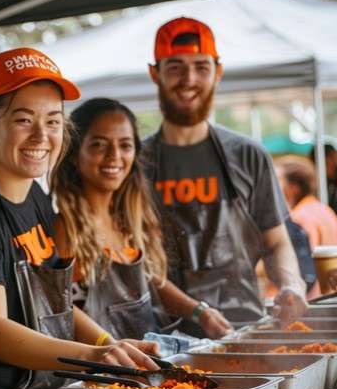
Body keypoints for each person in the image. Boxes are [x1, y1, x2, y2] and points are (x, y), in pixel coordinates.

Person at [0, 48, 159, 389]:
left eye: (53, 121)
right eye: (24, 120)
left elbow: (58, 306)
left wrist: (112, 344)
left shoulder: (36, 197)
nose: (42, 136)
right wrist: (93, 355)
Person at [140, 17, 307, 333]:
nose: (189, 79)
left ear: (218, 72)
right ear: (154, 73)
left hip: (241, 329)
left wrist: (291, 285)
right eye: (175, 67)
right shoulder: (133, 162)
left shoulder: (248, 155)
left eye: (201, 67)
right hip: (158, 340)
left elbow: (276, 243)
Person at [52, 98, 232, 341]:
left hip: (146, 364)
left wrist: (201, 313)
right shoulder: (66, 228)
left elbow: (152, 278)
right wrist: (108, 347)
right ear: (75, 154)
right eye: (98, 145)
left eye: (125, 145)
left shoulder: (129, 219)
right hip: (100, 371)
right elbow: (61, 309)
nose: (114, 156)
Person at [274, 155, 337, 296]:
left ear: (294, 187)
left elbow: (302, 270)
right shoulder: (324, 210)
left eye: (277, 180)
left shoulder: (299, 218)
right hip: (335, 297)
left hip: (313, 305)